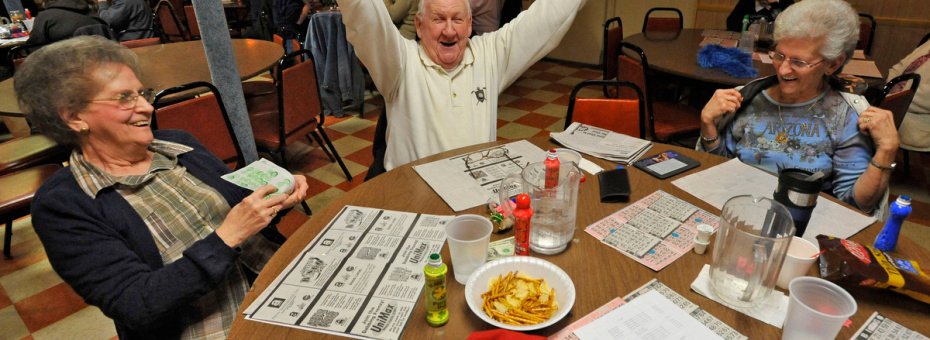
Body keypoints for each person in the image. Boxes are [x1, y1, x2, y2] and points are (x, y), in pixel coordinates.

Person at [14, 36, 309, 339]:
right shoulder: (65, 205)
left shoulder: (179, 143)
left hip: (280, 283)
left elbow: (242, 212)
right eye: (125, 98)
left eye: (142, 93)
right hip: (215, 327)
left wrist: (275, 198)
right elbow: (136, 303)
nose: (146, 107)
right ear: (75, 117)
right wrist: (229, 236)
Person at [341, 0, 587, 178]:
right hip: (413, 192)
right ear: (419, 25)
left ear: (469, 25)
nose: (449, 30)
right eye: (438, 19)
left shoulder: (490, 54)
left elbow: (549, 15)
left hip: (476, 194)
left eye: (457, 19)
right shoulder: (400, 62)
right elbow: (364, 15)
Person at [700, 0, 897, 214]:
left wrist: (886, 150)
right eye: (779, 55)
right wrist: (708, 124)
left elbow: (855, 206)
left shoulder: (845, 115)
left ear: (833, 64)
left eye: (799, 62)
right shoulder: (746, 98)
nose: (783, 70)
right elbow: (718, 173)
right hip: (738, 211)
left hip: (803, 228)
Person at [886, 39, 930, 155]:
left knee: (861, 116)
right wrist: (892, 88)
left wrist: (896, 93)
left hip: (918, 122)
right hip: (896, 100)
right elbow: (898, 67)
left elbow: (926, 99)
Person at [25, 0, 107, 45]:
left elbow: (32, 47)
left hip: (63, 67)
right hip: (99, 63)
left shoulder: (45, 16)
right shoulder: (92, 11)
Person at [726, 0, 792, 32]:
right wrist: (748, 31)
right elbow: (731, 23)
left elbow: (788, 29)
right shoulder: (746, 2)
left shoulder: (786, 3)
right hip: (747, 41)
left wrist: (775, 4)